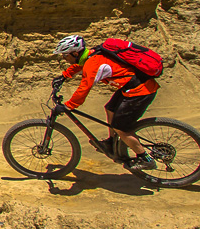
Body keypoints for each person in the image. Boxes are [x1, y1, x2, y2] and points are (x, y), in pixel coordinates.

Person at [52, 35, 159, 171]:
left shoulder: (93, 64)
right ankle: (111, 141)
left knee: (121, 128)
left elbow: (84, 88)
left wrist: (68, 105)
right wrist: (64, 76)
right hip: (131, 87)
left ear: (75, 53)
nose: (64, 58)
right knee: (110, 109)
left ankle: (145, 158)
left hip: (140, 91)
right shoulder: (91, 55)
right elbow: (79, 66)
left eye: (65, 55)